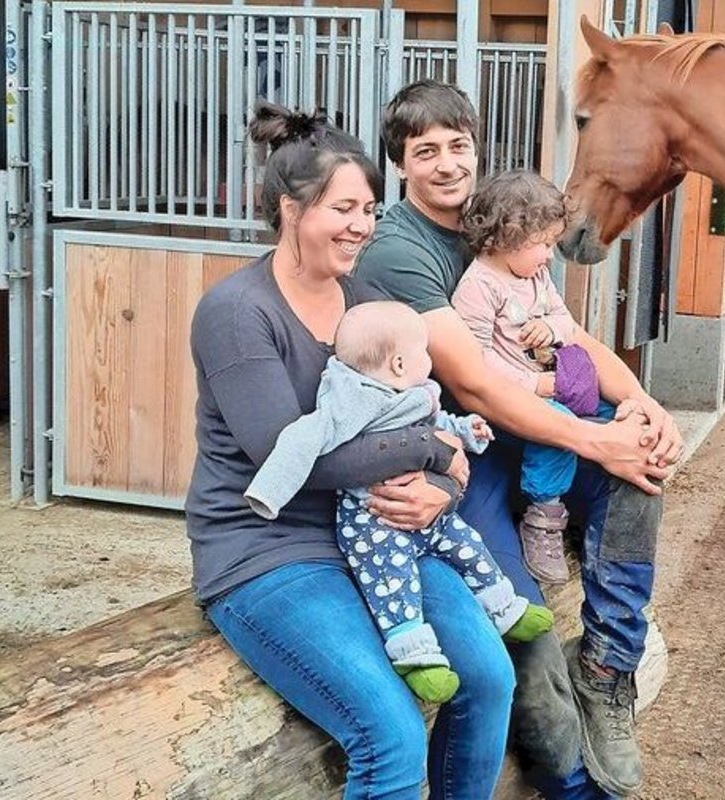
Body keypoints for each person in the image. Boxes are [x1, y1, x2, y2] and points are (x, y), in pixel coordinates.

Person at [355, 80, 684, 799]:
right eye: (425, 151)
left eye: (458, 146)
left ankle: (607, 667)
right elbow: (475, 387)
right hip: (460, 460)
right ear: (402, 165)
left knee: (642, 467)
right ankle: (577, 789)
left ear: (477, 150)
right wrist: (596, 441)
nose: (446, 163)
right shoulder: (399, 250)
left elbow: (569, 335)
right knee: (524, 633)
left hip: (529, 440)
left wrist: (639, 403)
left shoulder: (504, 225)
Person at [186, 100, 515, 799]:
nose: (362, 225)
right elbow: (291, 453)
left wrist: (444, 488)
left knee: (489, 679)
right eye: (343, 209)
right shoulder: (238, 313)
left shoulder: (366, 303)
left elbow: (438, 431)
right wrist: (431, 448)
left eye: (368, 208)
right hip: (267, 551)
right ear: (288, 210)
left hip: (379, 535)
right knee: (389, 736)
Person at [243, 300, 556, 705]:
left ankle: (505, 608)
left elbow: (435, 425)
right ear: (398, 364)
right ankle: (416, 657)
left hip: (430, 517)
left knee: (469, 546)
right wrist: (269, 491)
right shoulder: (350, 400)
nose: (430, 359)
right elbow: (304, 440)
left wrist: (466, 432)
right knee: (393, 588)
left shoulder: (413, 391)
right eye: (424, 352)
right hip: (375, 521)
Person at [452, 170, 609, 585]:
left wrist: (551, 330)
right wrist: (535, 386)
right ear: (507, 237)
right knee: (558, 423)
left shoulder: (536, 276)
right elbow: (478, 358)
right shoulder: (478, 288)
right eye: (542, 244)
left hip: (551, 382)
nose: (548, 255)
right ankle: (543, 514)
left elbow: (564, 320)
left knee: (604, 410)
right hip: (510, 401)